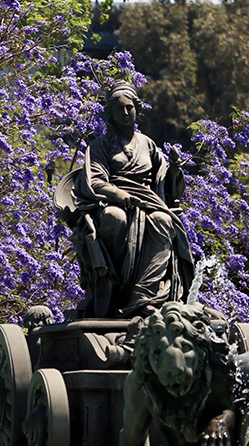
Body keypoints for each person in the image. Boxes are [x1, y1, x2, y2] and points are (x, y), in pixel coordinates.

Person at [56, 81, 193, 320]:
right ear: (110, 113)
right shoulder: (100, 145)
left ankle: (143, 295)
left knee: (163, 221)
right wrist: (118, 195)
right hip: (112, 202)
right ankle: (114, 291)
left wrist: (174, 170)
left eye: (130, 107)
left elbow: (163, 183)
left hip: (148, 202)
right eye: (120, 108)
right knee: (114, 218)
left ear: (136, 109)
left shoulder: (148, 144)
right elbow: (95, 180)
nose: (126, 112)